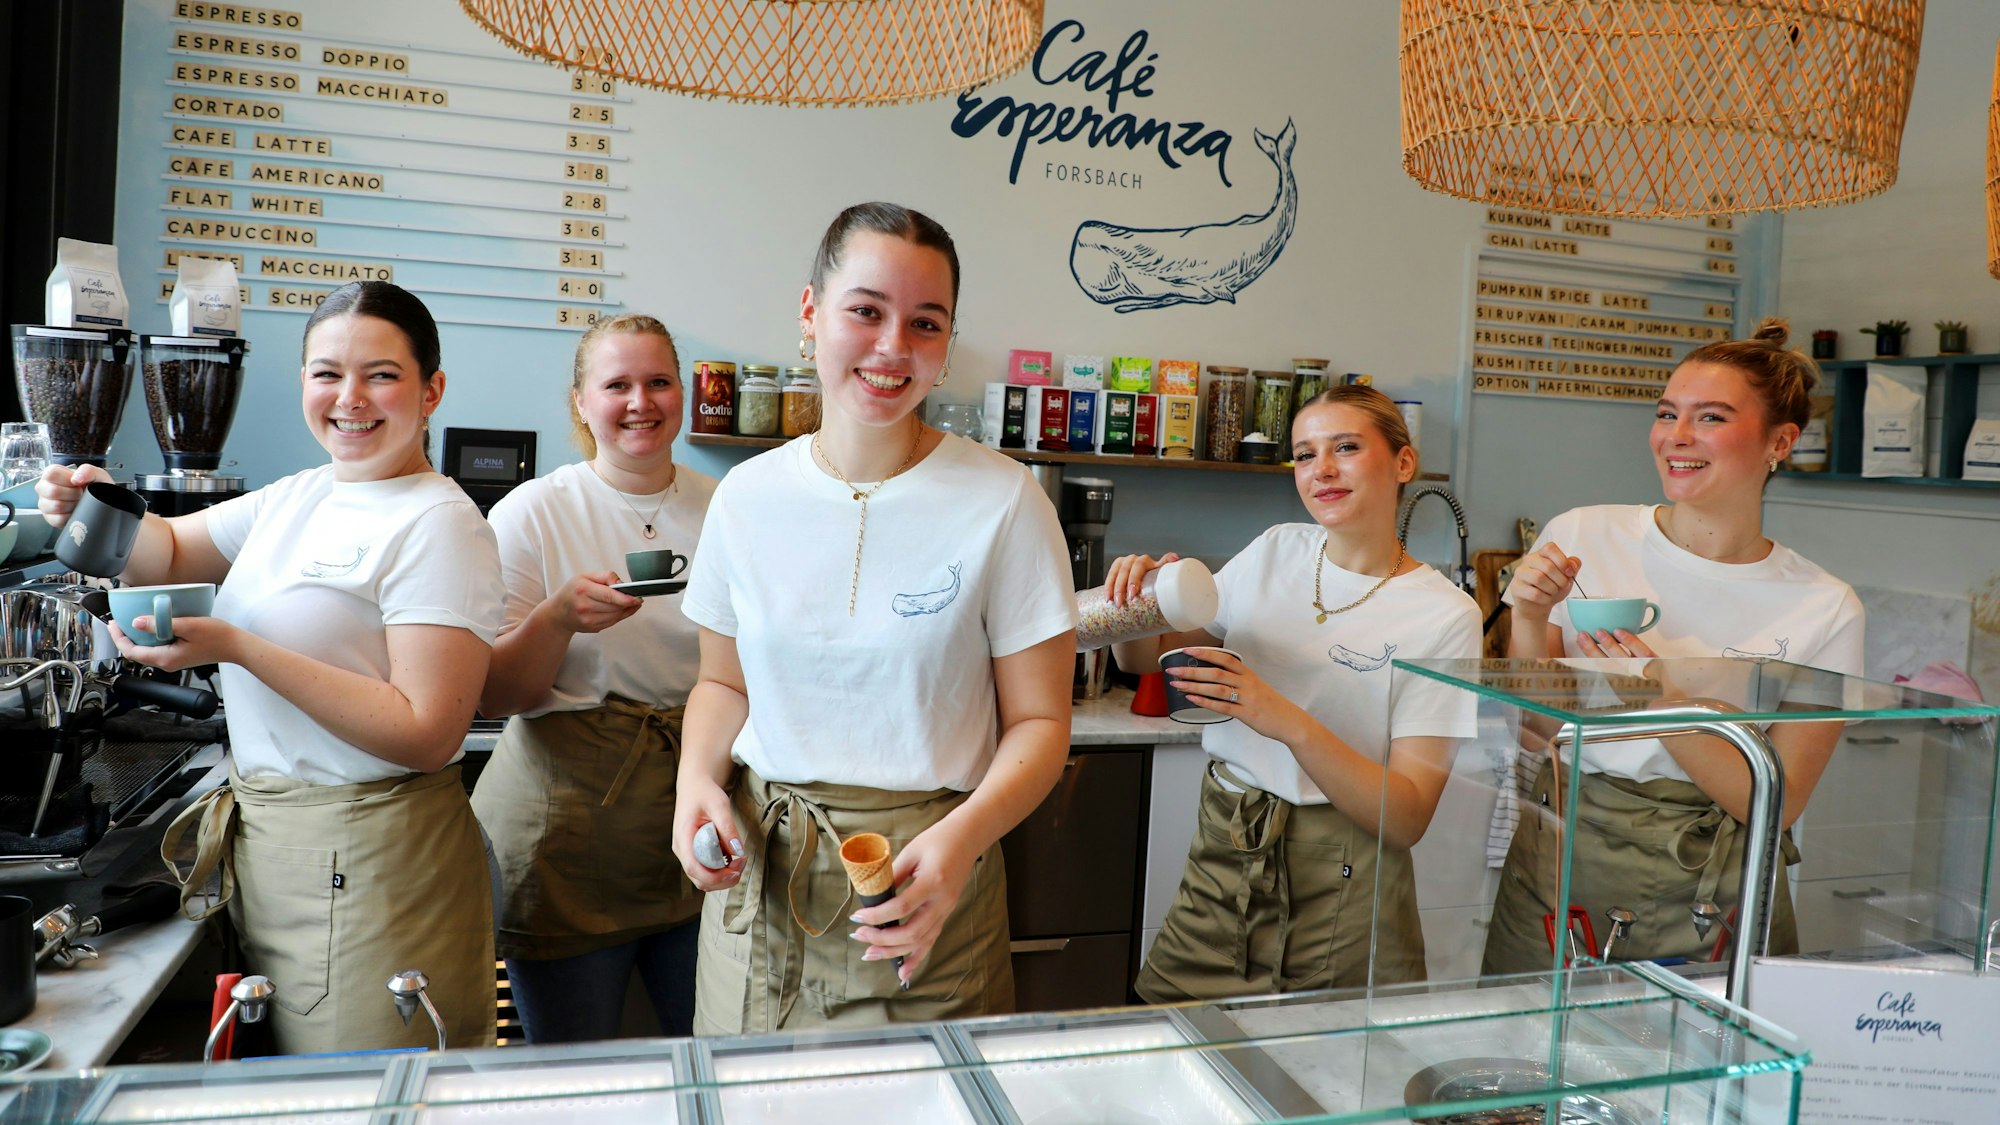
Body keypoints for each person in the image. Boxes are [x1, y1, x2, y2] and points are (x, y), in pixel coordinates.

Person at [39, 281, 501, 1053]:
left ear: (432, 390)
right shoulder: (303, 493)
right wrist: (98, 505)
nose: (350, 397)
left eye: (381, 374)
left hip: (376, 864)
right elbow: (174, 548)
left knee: (363, 1098)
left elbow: (427, 729)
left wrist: (239, 646)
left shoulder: (441, 524)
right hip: (273, 844)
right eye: (327, 373)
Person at [670, 202, 1076, 1033]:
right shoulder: (746, 498)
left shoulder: (1005, 501)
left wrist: (963, 841)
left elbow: (1040, 721)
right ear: (811, 313)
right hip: (765, 887)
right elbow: (722, 681)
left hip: (924, 890)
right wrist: (693, 780)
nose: (894, 347)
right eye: (866, 310)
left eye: (926, 324)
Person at [1482, 318, 1865, 973]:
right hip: (1568, 849)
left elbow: (1778, 800)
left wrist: (1659, 692)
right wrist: (1529, 613)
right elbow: (1538, 727)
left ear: (1781, 441)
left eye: (1710, 416)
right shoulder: (1584, 534)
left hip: (1718, 879)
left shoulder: (1826, 605)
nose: (1677, 437)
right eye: (1667, 414)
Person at [1109, 385, 1482, 1000]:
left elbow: (1408, 814)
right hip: (1225, 849)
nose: (1323, 470)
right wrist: (1138, 609)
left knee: (1323, 1076)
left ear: (1403, 463)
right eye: (1305, 455)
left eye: (1346, 448)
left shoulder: (1445, 615)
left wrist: (1281, 716)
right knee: (1167, 1030)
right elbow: (1153, 658)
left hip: (1344, 874)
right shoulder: (1277, 548)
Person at [470, 314, 715, 1041]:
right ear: (581, 401)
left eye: (658, 382)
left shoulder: (728, 506)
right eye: (617, 385)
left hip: (696, 810)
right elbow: (493, 694)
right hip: (566, 829)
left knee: (708, 1053)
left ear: (683, 393)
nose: (640, 401)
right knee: (572, 1071)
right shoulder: (534, 512)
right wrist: (556, 619)